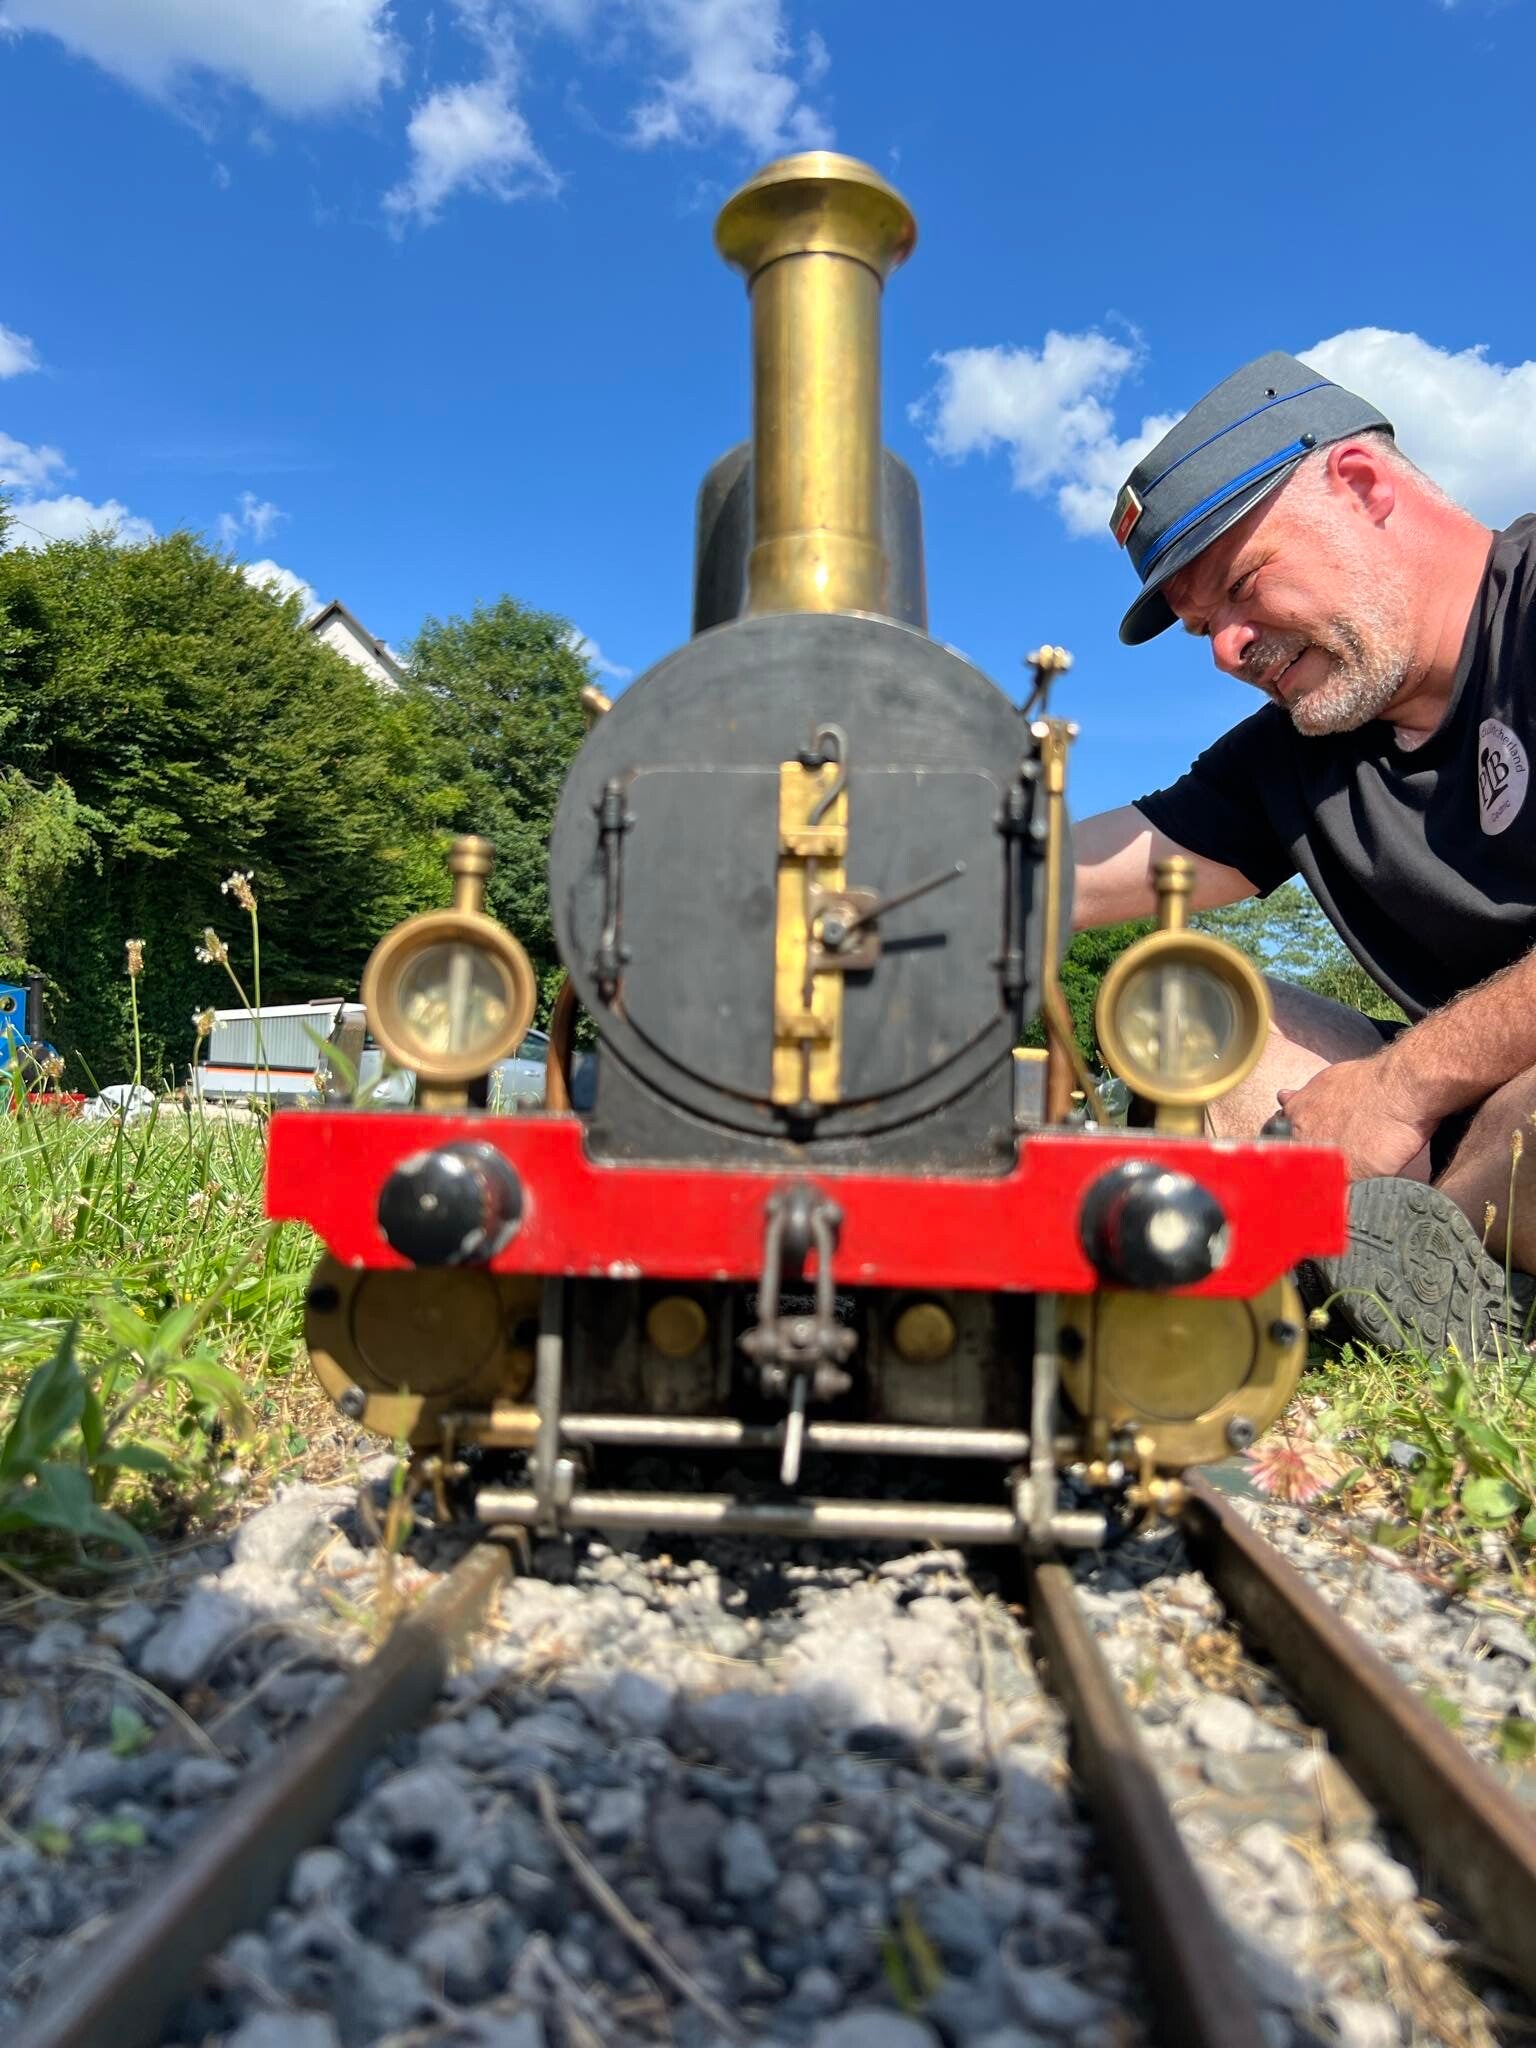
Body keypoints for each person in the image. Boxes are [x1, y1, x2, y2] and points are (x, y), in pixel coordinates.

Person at [1074, 349, 1536, 1354]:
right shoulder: (1299, 751)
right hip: (1452, 1138)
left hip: (1491, 1115)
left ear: (1362, 485)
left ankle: (1379, 1255)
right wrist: (884, 857)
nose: (1226, 651)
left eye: (1241, 588)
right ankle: (1401, 1264)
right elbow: (1070, 874)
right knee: (1197, 1004)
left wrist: (1402, 1085)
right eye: (1204, 627)